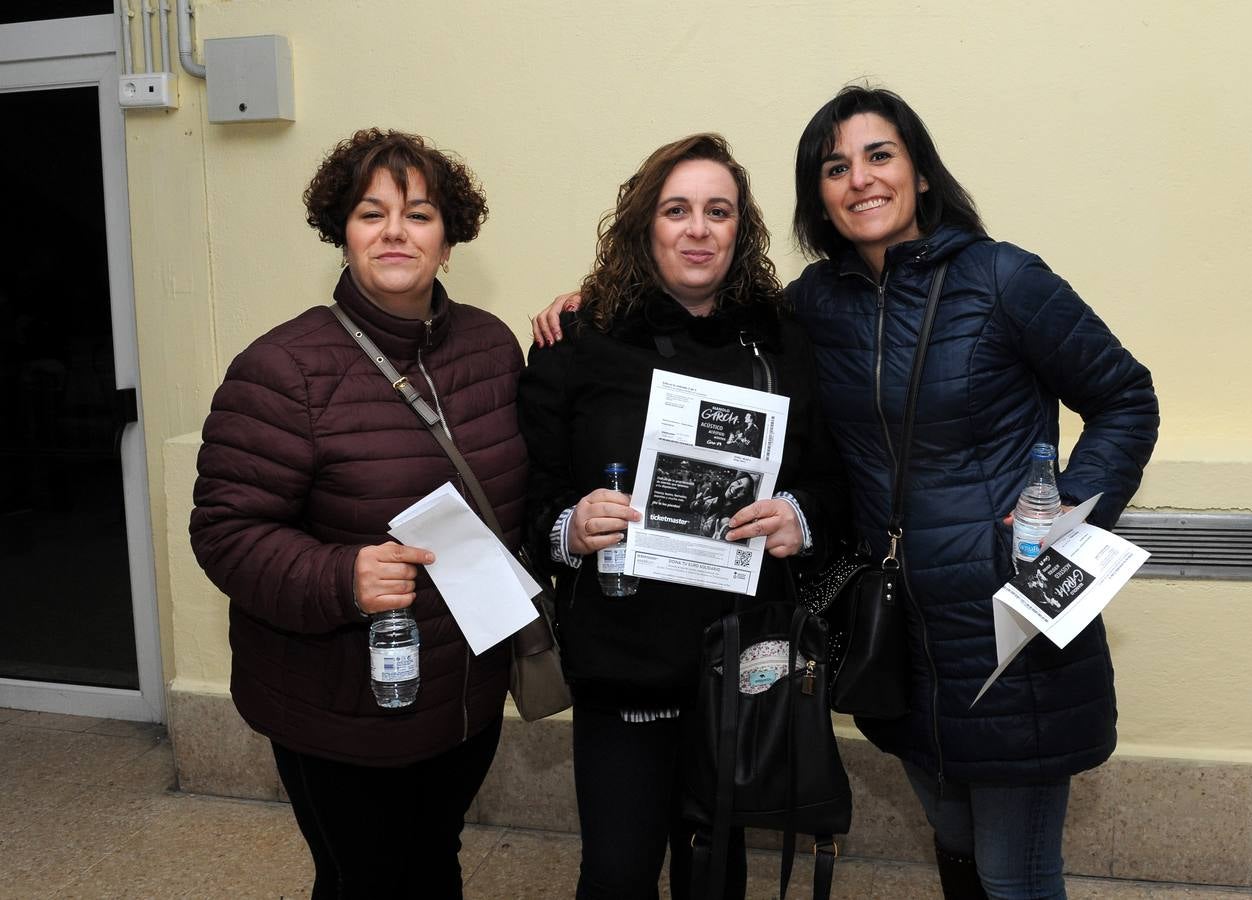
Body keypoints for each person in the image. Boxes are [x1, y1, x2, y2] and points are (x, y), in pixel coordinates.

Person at [532, 88, 1159, 900]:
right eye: (835, 166)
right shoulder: (813, 307)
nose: (859, 179)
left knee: (1014, 869)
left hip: (1006, 619)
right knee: (956, 838)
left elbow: (1125, 398)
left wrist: (1062, 520)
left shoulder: (1004, 278)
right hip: (892, 634)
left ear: (921, 173)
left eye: (879, 155)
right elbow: (752, 367)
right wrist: (586, 301)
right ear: (817, 194)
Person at [190, 128, 528, 899]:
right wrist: (341, 575)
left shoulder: (490, 346)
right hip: (341, 701)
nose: (395, 232)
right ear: (341, 236)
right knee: (365, 880)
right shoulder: (283, 369)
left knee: (434, 861)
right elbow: (224, 531)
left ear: (450, 241)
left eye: (418, 214)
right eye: (371, 214)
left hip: (463, 690)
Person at [517, 133, 849, 900]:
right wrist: (568, 528)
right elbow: (527, 501)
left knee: (714, 873)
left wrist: (800, 513)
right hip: (623, 657)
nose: (698, 229)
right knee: (617, 874)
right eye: (676, 210)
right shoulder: (576, 341)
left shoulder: (781, 339)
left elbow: (835, 480)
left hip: (741, 656)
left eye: (717, 211)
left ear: (741, 229)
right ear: (644, 226)